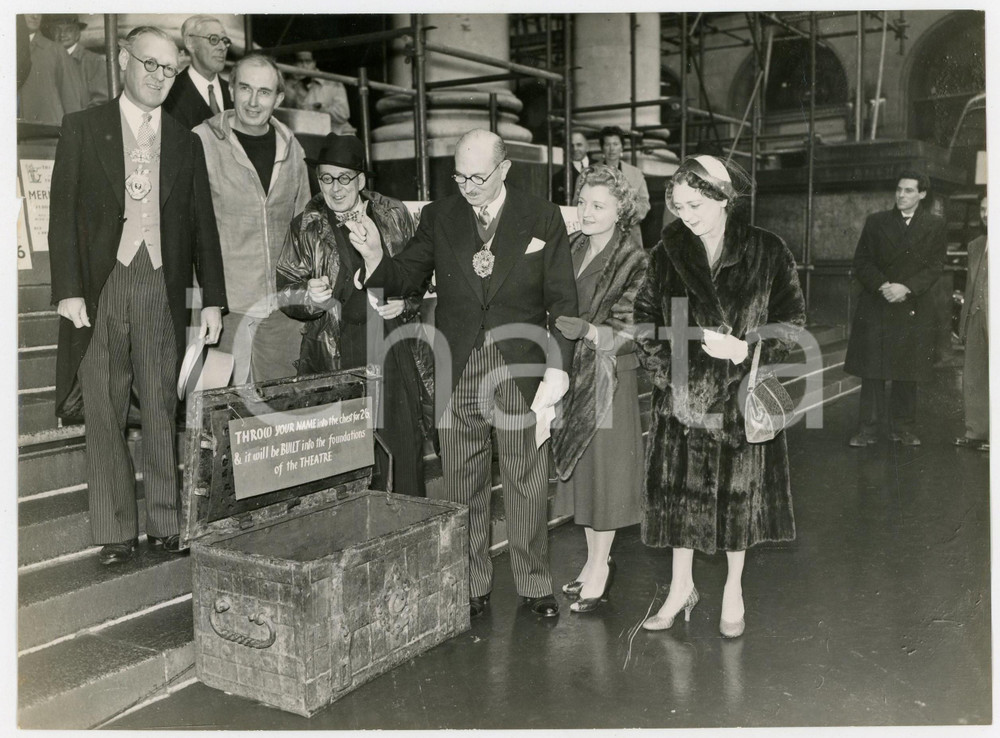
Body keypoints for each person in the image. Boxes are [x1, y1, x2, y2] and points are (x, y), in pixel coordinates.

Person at [348, 129, 578, 619]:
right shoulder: (439, 215)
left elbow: (563, 303)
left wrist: (557, 369)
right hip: (458, 367)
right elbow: (406, 276)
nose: (468, 186)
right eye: (460, 176)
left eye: (479, 176)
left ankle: (534, 584)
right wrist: (373, 256)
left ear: (505, 169)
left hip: (521, 365)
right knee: (461, 483)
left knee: (526, 481)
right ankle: (470, 583)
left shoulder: (542, 216)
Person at [48, 26, 227, 565]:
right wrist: (69, 291)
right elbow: (61, 217)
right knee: (102, 407)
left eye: (169, 70)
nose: (157, 77)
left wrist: (213, 299)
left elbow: (203, 226)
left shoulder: (184, 140)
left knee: (159, 404)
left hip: (160, 283)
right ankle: (115, 531)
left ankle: (167, 523)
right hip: (103, 285)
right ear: (124, 60)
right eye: (149, 64)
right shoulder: (83, 128)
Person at [633, 155, 805, 637]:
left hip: (738, 396)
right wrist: (669, 371)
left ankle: (734, 589)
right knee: (677, 502)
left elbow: (792, 320)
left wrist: (747, 349)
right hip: (682, 398)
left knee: (737, 502)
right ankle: (679, 588)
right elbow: (644, 320)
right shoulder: (667, 252)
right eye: (678, 206)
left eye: (695, 205)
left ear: (724, 198)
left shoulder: (767, 251)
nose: (685, 215)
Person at [275, 133, 433, 498]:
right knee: (350, 453)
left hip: (392, 341)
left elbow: (420, 275)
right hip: (337, 348)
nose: (336, 187)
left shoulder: (394, 214)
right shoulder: (306, 225)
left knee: (402, 443)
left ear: (361, 180)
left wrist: (405, 303)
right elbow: (286, 291)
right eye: (327, 178)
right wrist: (309, 298)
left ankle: (408, 529)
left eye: (345, 178)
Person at [551, 164, 648, 613]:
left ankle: (601, 566)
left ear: (620, 211)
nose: (587, 212)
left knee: (606, 478)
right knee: (586, 476)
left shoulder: (633, 258)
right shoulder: (569, 246)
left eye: (599, 205)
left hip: (610, 378)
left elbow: (633, 331)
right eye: (583, 203)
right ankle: (592, 563)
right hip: (571, 374)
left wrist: (588, 332)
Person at [194, 53, 310, 385]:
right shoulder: (202, 141)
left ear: (279, 98)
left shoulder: (292, 147)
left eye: (264, 92)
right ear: (231, 89)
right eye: (245, 88)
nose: (254, 102)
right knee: (220, 415)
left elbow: (303, 224)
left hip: (282, 307)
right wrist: (206, 300)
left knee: (280, 412)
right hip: (226, 306)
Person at [844, 171, 948, 447]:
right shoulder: (876, 222)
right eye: (899, 190)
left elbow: (936, 266)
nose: (901, 195)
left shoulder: (935, 225)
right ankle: (867, 429)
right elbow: (862, 262)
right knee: (873, 371)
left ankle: (903, 428)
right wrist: (885, 285)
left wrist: (907, 288)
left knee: (907, 370)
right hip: (878, 301)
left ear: (922, 194)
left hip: (911, 302)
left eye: (909, 191)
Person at [954, 194, 989, 451]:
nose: (986, 214)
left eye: (992, 209)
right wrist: (964, 322)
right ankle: (976, 431)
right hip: (977, 317)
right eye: (983, 209)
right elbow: (970, 286)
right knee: (974, 375)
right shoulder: (977, 244)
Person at [163, 15, 232, 130]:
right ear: (190, 43)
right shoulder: (169, 93)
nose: (222, 47)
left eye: (225, 41)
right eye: (213, 39)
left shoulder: (233, 91)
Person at [18, 13, 86, 125]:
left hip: (47, 133)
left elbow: (71, 100)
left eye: (38, 12)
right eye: (27, 11)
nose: (35, 16)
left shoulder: (55, 51)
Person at [592, 126, 650, 244]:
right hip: (598, 235)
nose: (612, 149)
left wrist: (628, 216)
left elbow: (644, 203)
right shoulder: (590, 173)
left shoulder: (636, 173)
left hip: (629, 235)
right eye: (607, 144)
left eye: (615, 144)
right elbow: (578, 203)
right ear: (602, 147)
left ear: (622, 147)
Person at [43, 13, 109, 108]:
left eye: (69, 30)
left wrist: (81, 120)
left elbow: (102, 100)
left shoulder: (93, 61)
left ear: (77, 34)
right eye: (57, 30)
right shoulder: (47, 60)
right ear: (52, 33)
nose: (62, 34)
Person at [283, 50, 354, 135]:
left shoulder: (332, 83)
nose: (304, 66)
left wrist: (318, 108)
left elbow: (343, 114)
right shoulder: (290, 85)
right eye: (300, 61)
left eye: (308, 61)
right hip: (307, 135)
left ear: (314, 63)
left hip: (336, 135)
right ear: (294, 64)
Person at [551, 130, 590, 206]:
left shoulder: (601, 166)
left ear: (587, 147)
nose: (575, 149)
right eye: (571, 146)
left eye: (579, 145)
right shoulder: (558, 177)